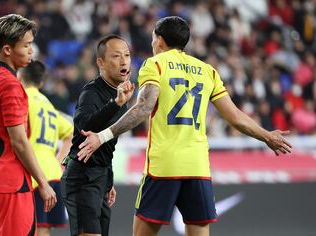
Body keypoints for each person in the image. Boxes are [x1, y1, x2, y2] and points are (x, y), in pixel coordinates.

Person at [76, 16, 293, 236]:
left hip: (164, 166)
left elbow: (144, 107)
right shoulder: (207, 70)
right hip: (197, 166)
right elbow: (235, 116)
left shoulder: (155, 65)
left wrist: (102, 136)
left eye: (153, 40)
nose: (152, 44)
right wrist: (267, 136)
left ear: (159, 40)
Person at [0, 14, 57, 236]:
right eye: (26, 45)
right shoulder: (10, 85)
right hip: (13, 186)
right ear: (7, 49)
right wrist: (43, 182)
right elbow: (19, 141)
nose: (31, 51)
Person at [60, 34, 135, 236]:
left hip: (100, 175)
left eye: (127, 55)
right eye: (116, 56)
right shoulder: (92, 92)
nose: (124, 61)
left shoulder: (119, 94)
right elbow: (84, 125)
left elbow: (107, 143)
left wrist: (108, 179)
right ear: (100, 62)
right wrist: (115, 105)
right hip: (82, 175)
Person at [20, 60, 74, 236]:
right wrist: (58, 161)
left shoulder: (22, 99)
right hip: (52, 172)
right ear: (42, 82)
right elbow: (71, 134)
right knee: (43, 228)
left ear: (20, 76)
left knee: (28, 227)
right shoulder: (49, 105)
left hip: (32, 172)